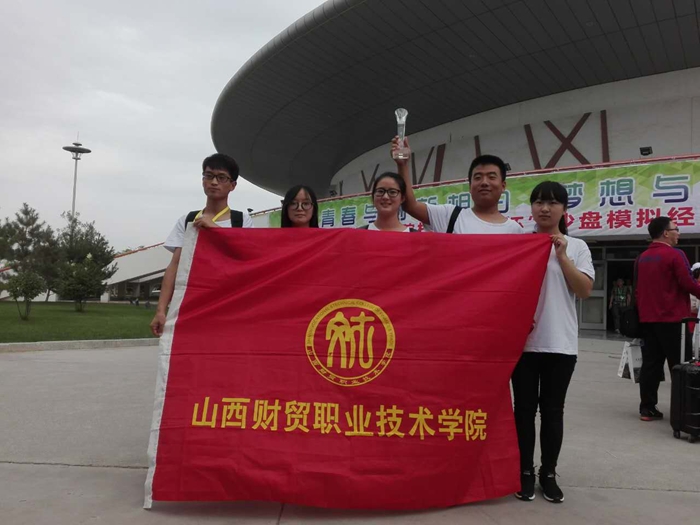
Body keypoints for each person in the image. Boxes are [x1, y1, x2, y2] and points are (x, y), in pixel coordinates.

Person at [512, 181, 594, 504]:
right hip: (523, 345)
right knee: (523, 412)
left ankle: (548, 473)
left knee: (552, 411)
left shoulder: (577, 246)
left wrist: (561, 256)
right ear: (531, 208)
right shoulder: (519, 244)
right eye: (538, 202)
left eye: (552, 202)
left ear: (564, 209)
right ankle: (524, 472)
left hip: (560, 344)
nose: (544, 208)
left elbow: (583, 290)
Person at [150, 154, 253, 336]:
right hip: (192, 304)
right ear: (202, 180)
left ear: (233, 185)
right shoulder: (188, 220)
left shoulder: (242, 221)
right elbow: (175, 266)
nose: (214, 182)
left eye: (221, 177)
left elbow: (247, 258)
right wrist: (160, 310)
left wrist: (214, 229)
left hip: (229, 306)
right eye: (209, 176)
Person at [635, 217, 700, 421]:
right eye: (676, 229)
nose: (678, 233)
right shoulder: (675, 254)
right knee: (681, 366)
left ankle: (647, 408)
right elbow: (688, 283)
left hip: (648, 320)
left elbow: (637, 289)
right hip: (673, 321)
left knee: (651, 365)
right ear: (665, 233)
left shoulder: (641, 258)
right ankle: (684, 411)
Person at [391, 136, 522, 234]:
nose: (484, 182)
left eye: (491, 177)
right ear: (470, 186)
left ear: (503, 186)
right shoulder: (450, 216)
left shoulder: (515, 231)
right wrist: (403, 165)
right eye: (478, 177)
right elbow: (410, 206)